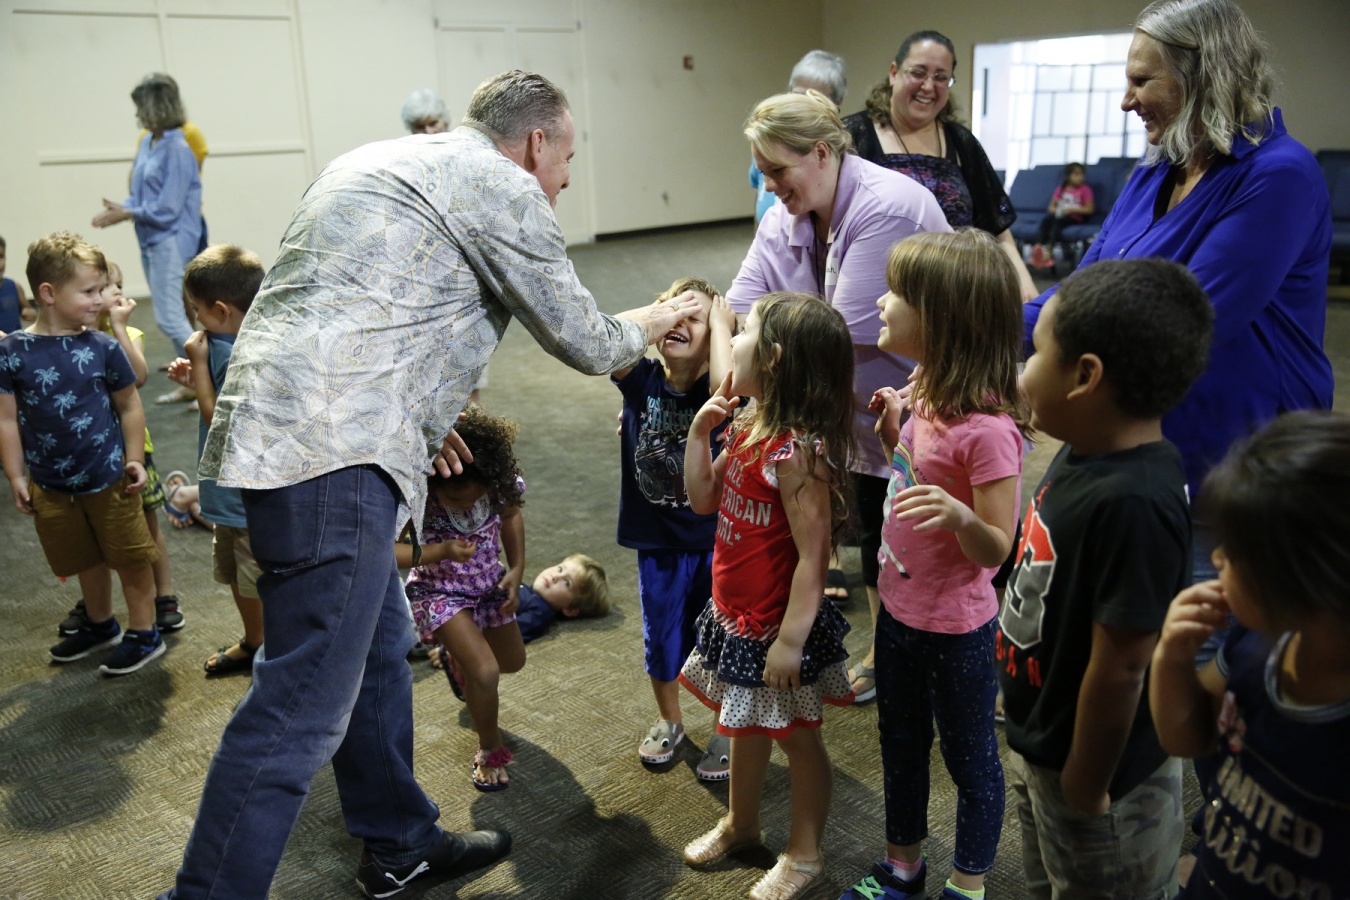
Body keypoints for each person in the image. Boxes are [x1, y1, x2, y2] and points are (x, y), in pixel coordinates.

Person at [160, 70, 701, 900]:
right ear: (536, 143)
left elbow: (345, 308)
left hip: (296, 435)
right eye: (566, 160)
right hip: (332, 458)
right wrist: (660, 318)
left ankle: (399, 843)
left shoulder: (375, 158)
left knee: (380, 651)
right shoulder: (504, 185)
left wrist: (416, 408)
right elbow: (587, 340)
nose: (563, 180)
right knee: (299, 704)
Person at [1024, 0, 1332, 534]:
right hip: (1138, 438)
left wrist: (1025, 375)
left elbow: (1183, 322)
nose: (1126, 101)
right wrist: (971, 334)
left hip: (1237, 464)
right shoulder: (1156, 168)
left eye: (1142, 81)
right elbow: (1079, 292)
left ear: (1204, 75)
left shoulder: (1279, 175)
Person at [725, 90, 949, 706]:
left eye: (777, 170)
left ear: (822, 152)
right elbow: (739, 309)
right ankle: (889, 651)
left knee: (910, 541)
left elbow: (828, 341)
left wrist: (751, 383)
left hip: (913, 403)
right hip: (849, 407)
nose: (769, 187)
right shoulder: (785, 214)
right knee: (875, 533)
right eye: (762, 173)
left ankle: (919, 659)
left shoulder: (888, 208)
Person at [1000, 259, 1213, 897]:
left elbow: (1123, 667)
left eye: (1035, 353)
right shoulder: (1086, 449)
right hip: (1045, 742)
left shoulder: (1135, 503)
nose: (1022, 371)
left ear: (1085, 376)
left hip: (1099, 782)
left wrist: (1088, 780)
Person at [838, 230, 1024, 900]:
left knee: (970, 760)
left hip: (956, 631)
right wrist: (896, 431)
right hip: (898, 613)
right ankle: (903, 866)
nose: (881, 302)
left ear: (943, 320)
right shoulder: (924, 391)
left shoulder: (989, 432)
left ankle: (967, 885)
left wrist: (962, 518)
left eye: (897, 293)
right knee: (900, 744)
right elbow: (914, 477)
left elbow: (997, 548)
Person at [680, 292, 857, 900]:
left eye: (743, 332)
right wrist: (699, 436)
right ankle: (742, 824)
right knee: (742, 724)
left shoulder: (796, 454)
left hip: (775, 628)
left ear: (774, 358)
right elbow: (703, 500)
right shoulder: (751, 425)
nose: (732, 342)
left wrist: (789, 641)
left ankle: (805, 853)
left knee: (797, 738)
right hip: (734, 615)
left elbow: (814, 555)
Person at [1150, 410, 1350, 898]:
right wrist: (1172, 658)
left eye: (1232, 553)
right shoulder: (1256, 643)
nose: (1216, 559)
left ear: (1298, 579)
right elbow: (1187, 736)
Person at [0, 232, 164, 676]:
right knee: (84, 558)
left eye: (101, 289)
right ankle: (100, 622)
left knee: (130, 557)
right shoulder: (12, 353)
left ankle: (144, 631)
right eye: (89, 291)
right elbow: (7, 420)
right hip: (51, 483)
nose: (100, 300)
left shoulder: (103, 347)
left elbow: (130, 405)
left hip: (110, 477)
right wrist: (15, 475)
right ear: (49, 293)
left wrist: (134, 458)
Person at [612, 277, 734, 779]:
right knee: (660, 638)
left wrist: (723, 327)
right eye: (671, 313)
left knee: (722, 642)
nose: (678, 323)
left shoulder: (716, 387)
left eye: (693, 318)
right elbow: (607, 335)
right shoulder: (641, 380)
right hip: (657, 544)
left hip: (716, 543)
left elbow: (728, 386)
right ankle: (670, 719)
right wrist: (659, 312)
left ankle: (727, 727)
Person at [843, 31, 1037, 301]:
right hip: (877, 297)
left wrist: (1023, 281)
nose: (928, 86)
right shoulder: (853, 135)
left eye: (941, 77)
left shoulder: (961, 142)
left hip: (957, 297)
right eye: (918, 73)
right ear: (894, 73)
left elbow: (997, 225)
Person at [54, 259, 186, 638]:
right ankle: (96, 603)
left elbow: (138, 376)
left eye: (114, 287)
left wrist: (119, 328)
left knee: (146, 527)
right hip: (88, 453)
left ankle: (164, 595)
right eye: (99, 289)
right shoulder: (72, 336)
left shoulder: (127, 334)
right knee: (92, 534)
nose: (111, 294)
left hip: (131, 451)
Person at [399, 407, 529, 792]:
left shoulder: (499, 484)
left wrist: (517, 568)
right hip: (437, 590)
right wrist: (438, 552)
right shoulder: (417, 494)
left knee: (511, 662)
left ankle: (456, 659)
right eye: (456, 502)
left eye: (474, 500)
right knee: (485, 673)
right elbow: (387, 550)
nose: (468, 508)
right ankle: (490, 748)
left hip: (488, 584)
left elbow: (511, 516)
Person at [166, 245, 267, 677]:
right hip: (228, 492)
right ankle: (255, 640)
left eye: (196, 310)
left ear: (221, 310)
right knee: (236, 574)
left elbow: (218, 420)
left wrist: (200, 363)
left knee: (253, 579)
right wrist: (199, 377)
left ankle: (269, 651)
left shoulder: (227, 351)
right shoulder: (231, 341)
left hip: (242, 494)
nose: (194, 318)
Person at [91, 73, 203, 374]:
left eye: (142, 106)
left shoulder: (178, 149)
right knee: (171, 316)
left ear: (158, 107)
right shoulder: (148, 143)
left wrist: (127, 213)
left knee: (170, 318)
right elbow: (142, 195)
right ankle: (193, 380)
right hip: (150, 237)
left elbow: (168, 208)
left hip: (171, 240)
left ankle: (206, 379)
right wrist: (122, 209)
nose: (138, 113)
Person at [751, 50, 848, 224]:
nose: (802, 105)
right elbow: (759, 198)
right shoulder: (767, 145)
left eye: (815, 98)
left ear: (837, 102)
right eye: (797, 95)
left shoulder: (838, 154)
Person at [1029, 162, 1095, 269]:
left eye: (1082, 174)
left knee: (1057, 223)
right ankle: (1038, 247)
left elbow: (1089, 209)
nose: (1080, 177)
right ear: (1068, 176)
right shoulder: (1061, 189)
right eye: (1076, 174)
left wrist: (1071, 209)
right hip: (1060, 215)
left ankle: (1049, 251)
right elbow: (1051, 208)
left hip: (1075, 218)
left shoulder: (1085, 189)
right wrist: (1058, 210)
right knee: (1047, 220)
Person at [0, 234, 34, 335]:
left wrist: (30, 313)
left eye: (1, 256)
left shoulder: (14, 286)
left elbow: (30, 311)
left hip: (14, 343)